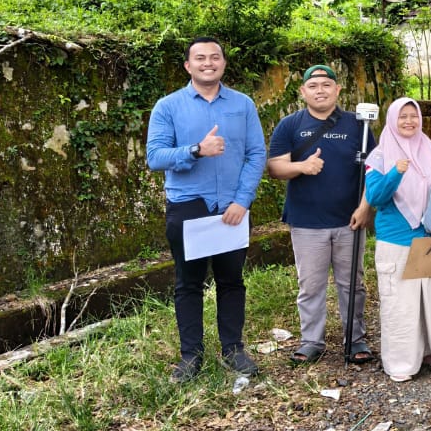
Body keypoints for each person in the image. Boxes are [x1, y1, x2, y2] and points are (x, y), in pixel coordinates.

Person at [146, 37, 265, 383]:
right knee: (188, 283)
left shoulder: (242, 105)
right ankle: (190, 357)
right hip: (189, 208)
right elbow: (155, 157)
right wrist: (197, 149)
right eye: (200, 58)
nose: (208, 63)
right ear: (188, 66)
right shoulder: (168, 106)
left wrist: (242, 200)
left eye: (215, 57)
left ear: (224, 64)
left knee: (232, 281)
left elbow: (256, 154)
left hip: (232, 209)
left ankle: (233, 349)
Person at [266, 64, 375, 365]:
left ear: (338, 90)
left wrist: (366, 206)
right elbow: (275, 167)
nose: (320, 90)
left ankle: (355, 338)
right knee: (311, 284)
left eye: (327, 85)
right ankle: (312, 340)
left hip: (349, 220)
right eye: (313, 86)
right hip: (306, 221)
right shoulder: (289, 125)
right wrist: (302, 167)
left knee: (352, 282)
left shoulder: (359, 126)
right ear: (303, 92)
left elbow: (374, 170)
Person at [362, 98, 431, 382]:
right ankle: (402, 364)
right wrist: (396, 172)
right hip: (396, 242)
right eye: (402, 117)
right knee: (400, 306)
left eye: (413, 116)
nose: (408, 122)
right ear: (392, 120)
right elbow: (375, 197)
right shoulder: (379, 157)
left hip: (429, 240)